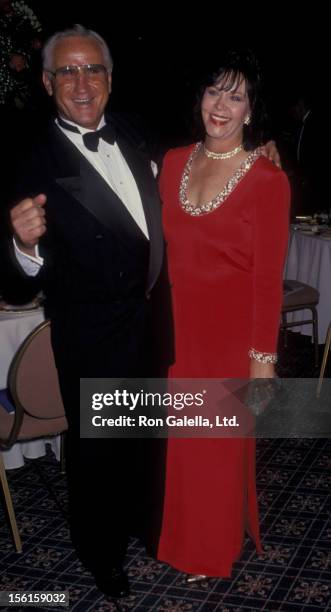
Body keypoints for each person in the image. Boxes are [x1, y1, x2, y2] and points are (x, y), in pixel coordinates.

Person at [6, 24, 172, 599]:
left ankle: (146, 528)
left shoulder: (136, 133)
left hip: (154, 325)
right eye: (69, 71)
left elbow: (195, 170)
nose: (83, 82)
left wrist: (255, 149)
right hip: (94, 335)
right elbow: (15, 280)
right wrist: (22, 246)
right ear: (48, 81)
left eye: (93, 69)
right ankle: (100, 553)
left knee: (149, 441)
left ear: (110, 78)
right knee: (99, 453)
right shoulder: (29, 158)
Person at [156, 49, 290, 579]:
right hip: (176, 330)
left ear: (250, 111)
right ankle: (180, 534)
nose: (222, 106)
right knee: (181, 444)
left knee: (214, 447)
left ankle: (209, 550)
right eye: (215, 92)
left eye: (236, 97)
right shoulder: (170, 163)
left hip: (230, 338)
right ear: (200, 98)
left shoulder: (267, 181)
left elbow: (267, 279)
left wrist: (263, 360)